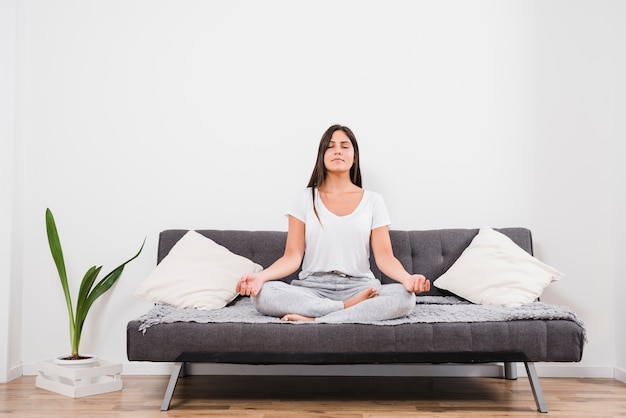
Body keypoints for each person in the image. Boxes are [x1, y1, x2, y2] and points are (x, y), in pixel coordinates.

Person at [236, 124, 430, 322]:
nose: (338, 150)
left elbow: (385, 257)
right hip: (313, 288)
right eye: (331, 146)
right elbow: (292, 256)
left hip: (360, 287)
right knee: (264, 294)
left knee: (404, 297)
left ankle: (315, 319)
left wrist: (407, 279)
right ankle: (345, 310)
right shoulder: (304, 198)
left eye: (345, 146)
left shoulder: (373, 201)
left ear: (354, 156)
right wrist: (261, 277)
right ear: (322, 155)